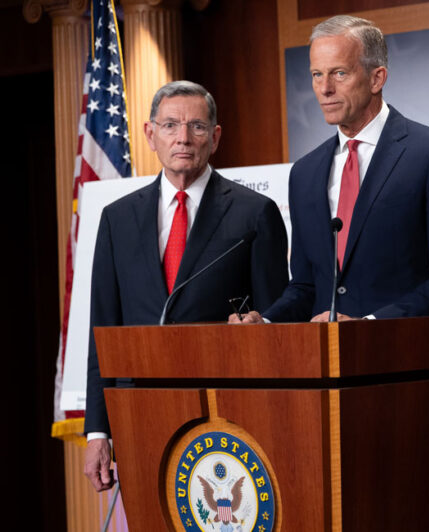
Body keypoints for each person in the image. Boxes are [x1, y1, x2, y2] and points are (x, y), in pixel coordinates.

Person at [83, 80, 289, 491]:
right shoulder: (117, 219)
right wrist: (98, 431)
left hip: (228, 417)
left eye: (196, 127)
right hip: (140, 412)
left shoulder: (254, 214)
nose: (183, 138)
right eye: (171, 125)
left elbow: (277, 327)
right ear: (149, 134)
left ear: (214, 137)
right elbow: (102, 331)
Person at [231, 15, 429, 324]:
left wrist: (369, 326)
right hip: (326, 366)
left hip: (407, 363)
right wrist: (267, 322)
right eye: (316, 74)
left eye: (339, 73)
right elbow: (307, 286)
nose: (324, 88)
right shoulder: (304, 173)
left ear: (377, 78)